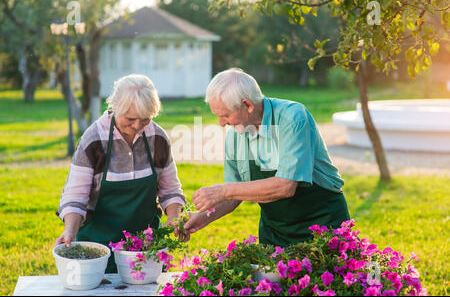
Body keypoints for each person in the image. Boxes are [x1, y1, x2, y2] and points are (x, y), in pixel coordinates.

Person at [183, 68, 350, 246]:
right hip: (275, 232)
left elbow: (286, 186)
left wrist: (222, 190)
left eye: (225, 115)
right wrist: (203, 217)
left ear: (248, 105)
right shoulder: (236, 134)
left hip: (323, 224)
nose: (222, 123)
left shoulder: (293, 118)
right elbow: (233, 195)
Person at [54, 74, 186, 272]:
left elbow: (170, 190)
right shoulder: (93, 140)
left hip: (145, 251)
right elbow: (75, 196)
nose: (137, 126)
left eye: (145, 119)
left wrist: (174, 217)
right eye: (131, 119)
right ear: (115, 108)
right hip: (97, 250)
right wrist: (69, 231)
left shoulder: (157, 138)